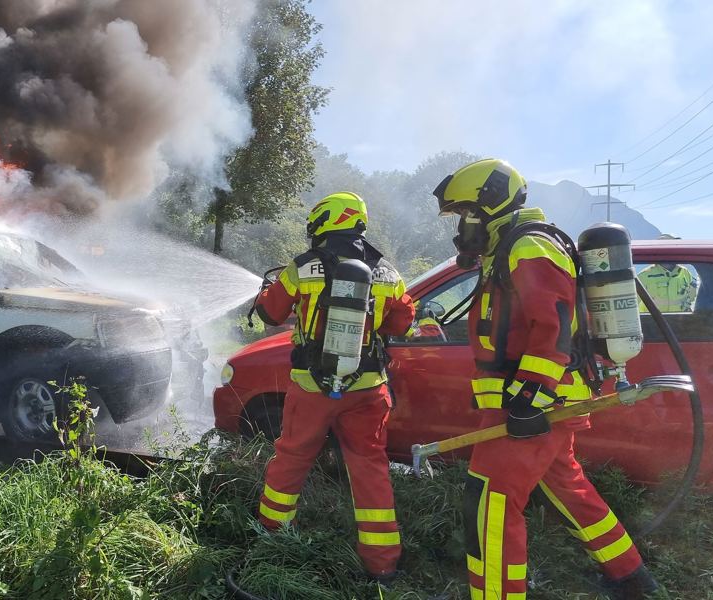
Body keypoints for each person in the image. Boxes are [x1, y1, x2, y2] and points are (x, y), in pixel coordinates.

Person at [432, 159, 658, 599]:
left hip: (537, 403)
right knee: (566, 485)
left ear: (490, 205)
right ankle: (631, 576)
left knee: (490, 505)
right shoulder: (509, 246)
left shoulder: (528, 246)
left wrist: (529, 399)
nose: (462, 225)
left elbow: (552, 326)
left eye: (465, 213)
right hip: (541, 402)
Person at [253, 191, 415, 583]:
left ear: (325, 221)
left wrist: (266, 291)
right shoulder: (388, 273)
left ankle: (270, 537)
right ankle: (383, 563)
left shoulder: (303, 267)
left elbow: (271, 312)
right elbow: (402, 322)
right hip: (368, 389)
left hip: (313, 387)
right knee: (370, 467)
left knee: (292, 457)